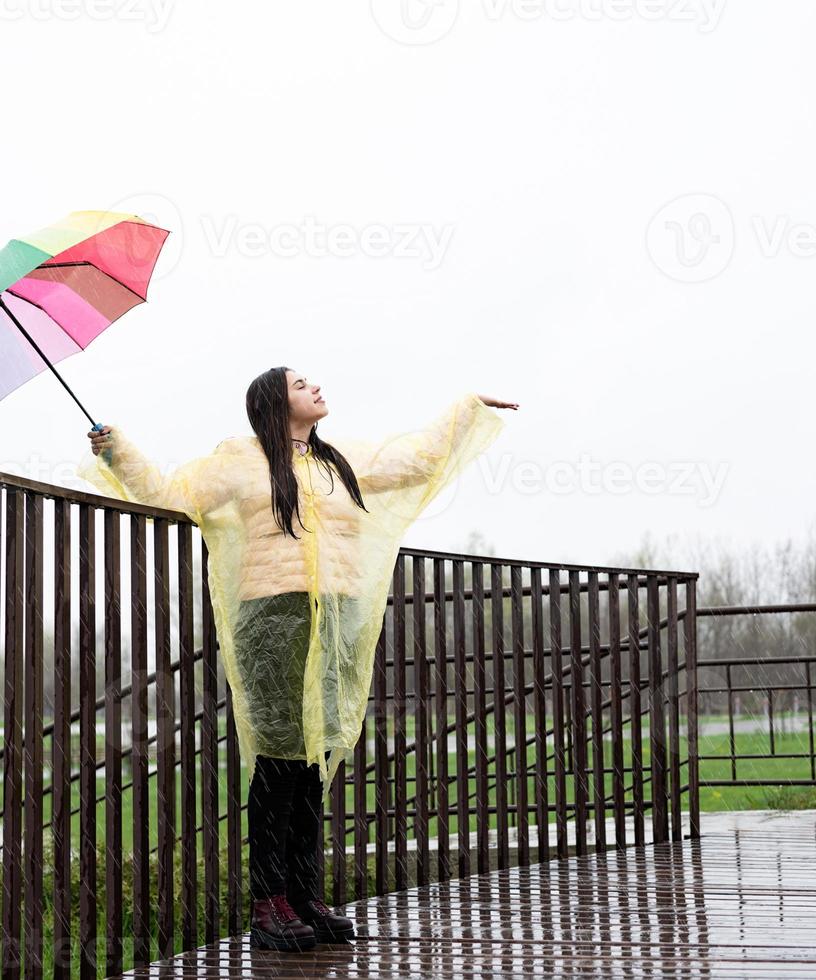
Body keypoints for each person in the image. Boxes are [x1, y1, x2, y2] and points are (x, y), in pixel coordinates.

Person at [80, 367, 517, 953]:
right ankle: (269, 904)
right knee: (281, 762)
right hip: (274, 618)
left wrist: (466, 409)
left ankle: (304, 893)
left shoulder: (337, 462)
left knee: (315, 760)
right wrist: (117, 450)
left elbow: (413, 462)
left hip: (333, 617)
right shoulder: (241, 460)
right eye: (299, 383)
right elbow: (170, 495)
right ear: (272, 401)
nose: (315, 387)